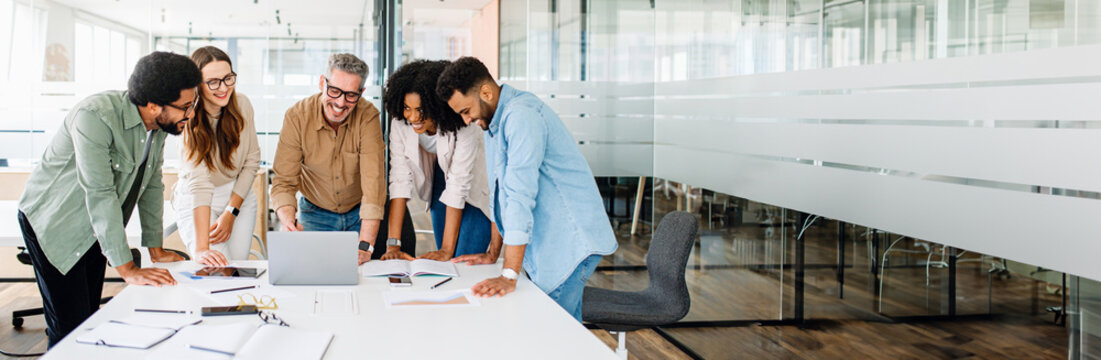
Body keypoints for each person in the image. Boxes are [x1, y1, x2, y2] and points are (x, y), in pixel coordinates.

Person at [17, 51, 197, 346]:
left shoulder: (159, 126)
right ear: (153, 106)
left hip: (95, 226)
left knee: (89, 320)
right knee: (68, 331)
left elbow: (151, 183)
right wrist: (128, 269)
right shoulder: (95, 116)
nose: (190, 114)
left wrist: (155, 248)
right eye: (186, 107)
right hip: (55, 223)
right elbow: (99, 193)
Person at [435, 57, 618, 321]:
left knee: (550, 332)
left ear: (486, 92)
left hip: (570, 241)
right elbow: (501, 192)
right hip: (549, 242)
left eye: (466, 110)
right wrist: (493, 253)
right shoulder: (493, 122)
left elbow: (520, 195)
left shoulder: (521, 116)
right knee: (553, 335)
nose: (466, 120)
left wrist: (509, 274)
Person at [271, 53, 415, 263]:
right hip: (315, 213)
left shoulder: (368, 116)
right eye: (334, 91)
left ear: (361, 93)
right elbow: (284, 182)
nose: (340, 102)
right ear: (322, 82)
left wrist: (366, 246)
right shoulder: (297, 116)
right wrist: (288, 222)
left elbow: (373, 185)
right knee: (312, 275)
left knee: (361, 279)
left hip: (360, 213)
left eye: (350, 95)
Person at [380, 60, 502, 262]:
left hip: (475, 184)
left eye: (421, 110)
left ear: (436, 106)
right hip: (440, 176)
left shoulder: (463, 124)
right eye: (407, 108)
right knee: (442, 259)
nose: (413, 117)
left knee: (461, 258)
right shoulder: (400, 123)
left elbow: (459, 183)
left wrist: (447, 249)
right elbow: (399, 180)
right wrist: (393, 244)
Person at [173, 46, 261, 266]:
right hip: (199, 199)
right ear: (197, 85)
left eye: (228, 78)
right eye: (213, 82)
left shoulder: (242, 105)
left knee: (237, 269)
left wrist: (232, 211)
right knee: (218, 268)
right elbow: (200, 185)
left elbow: (251, 162)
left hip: (237, 196)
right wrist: (202, 248)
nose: (223, 88)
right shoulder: (188, 117)